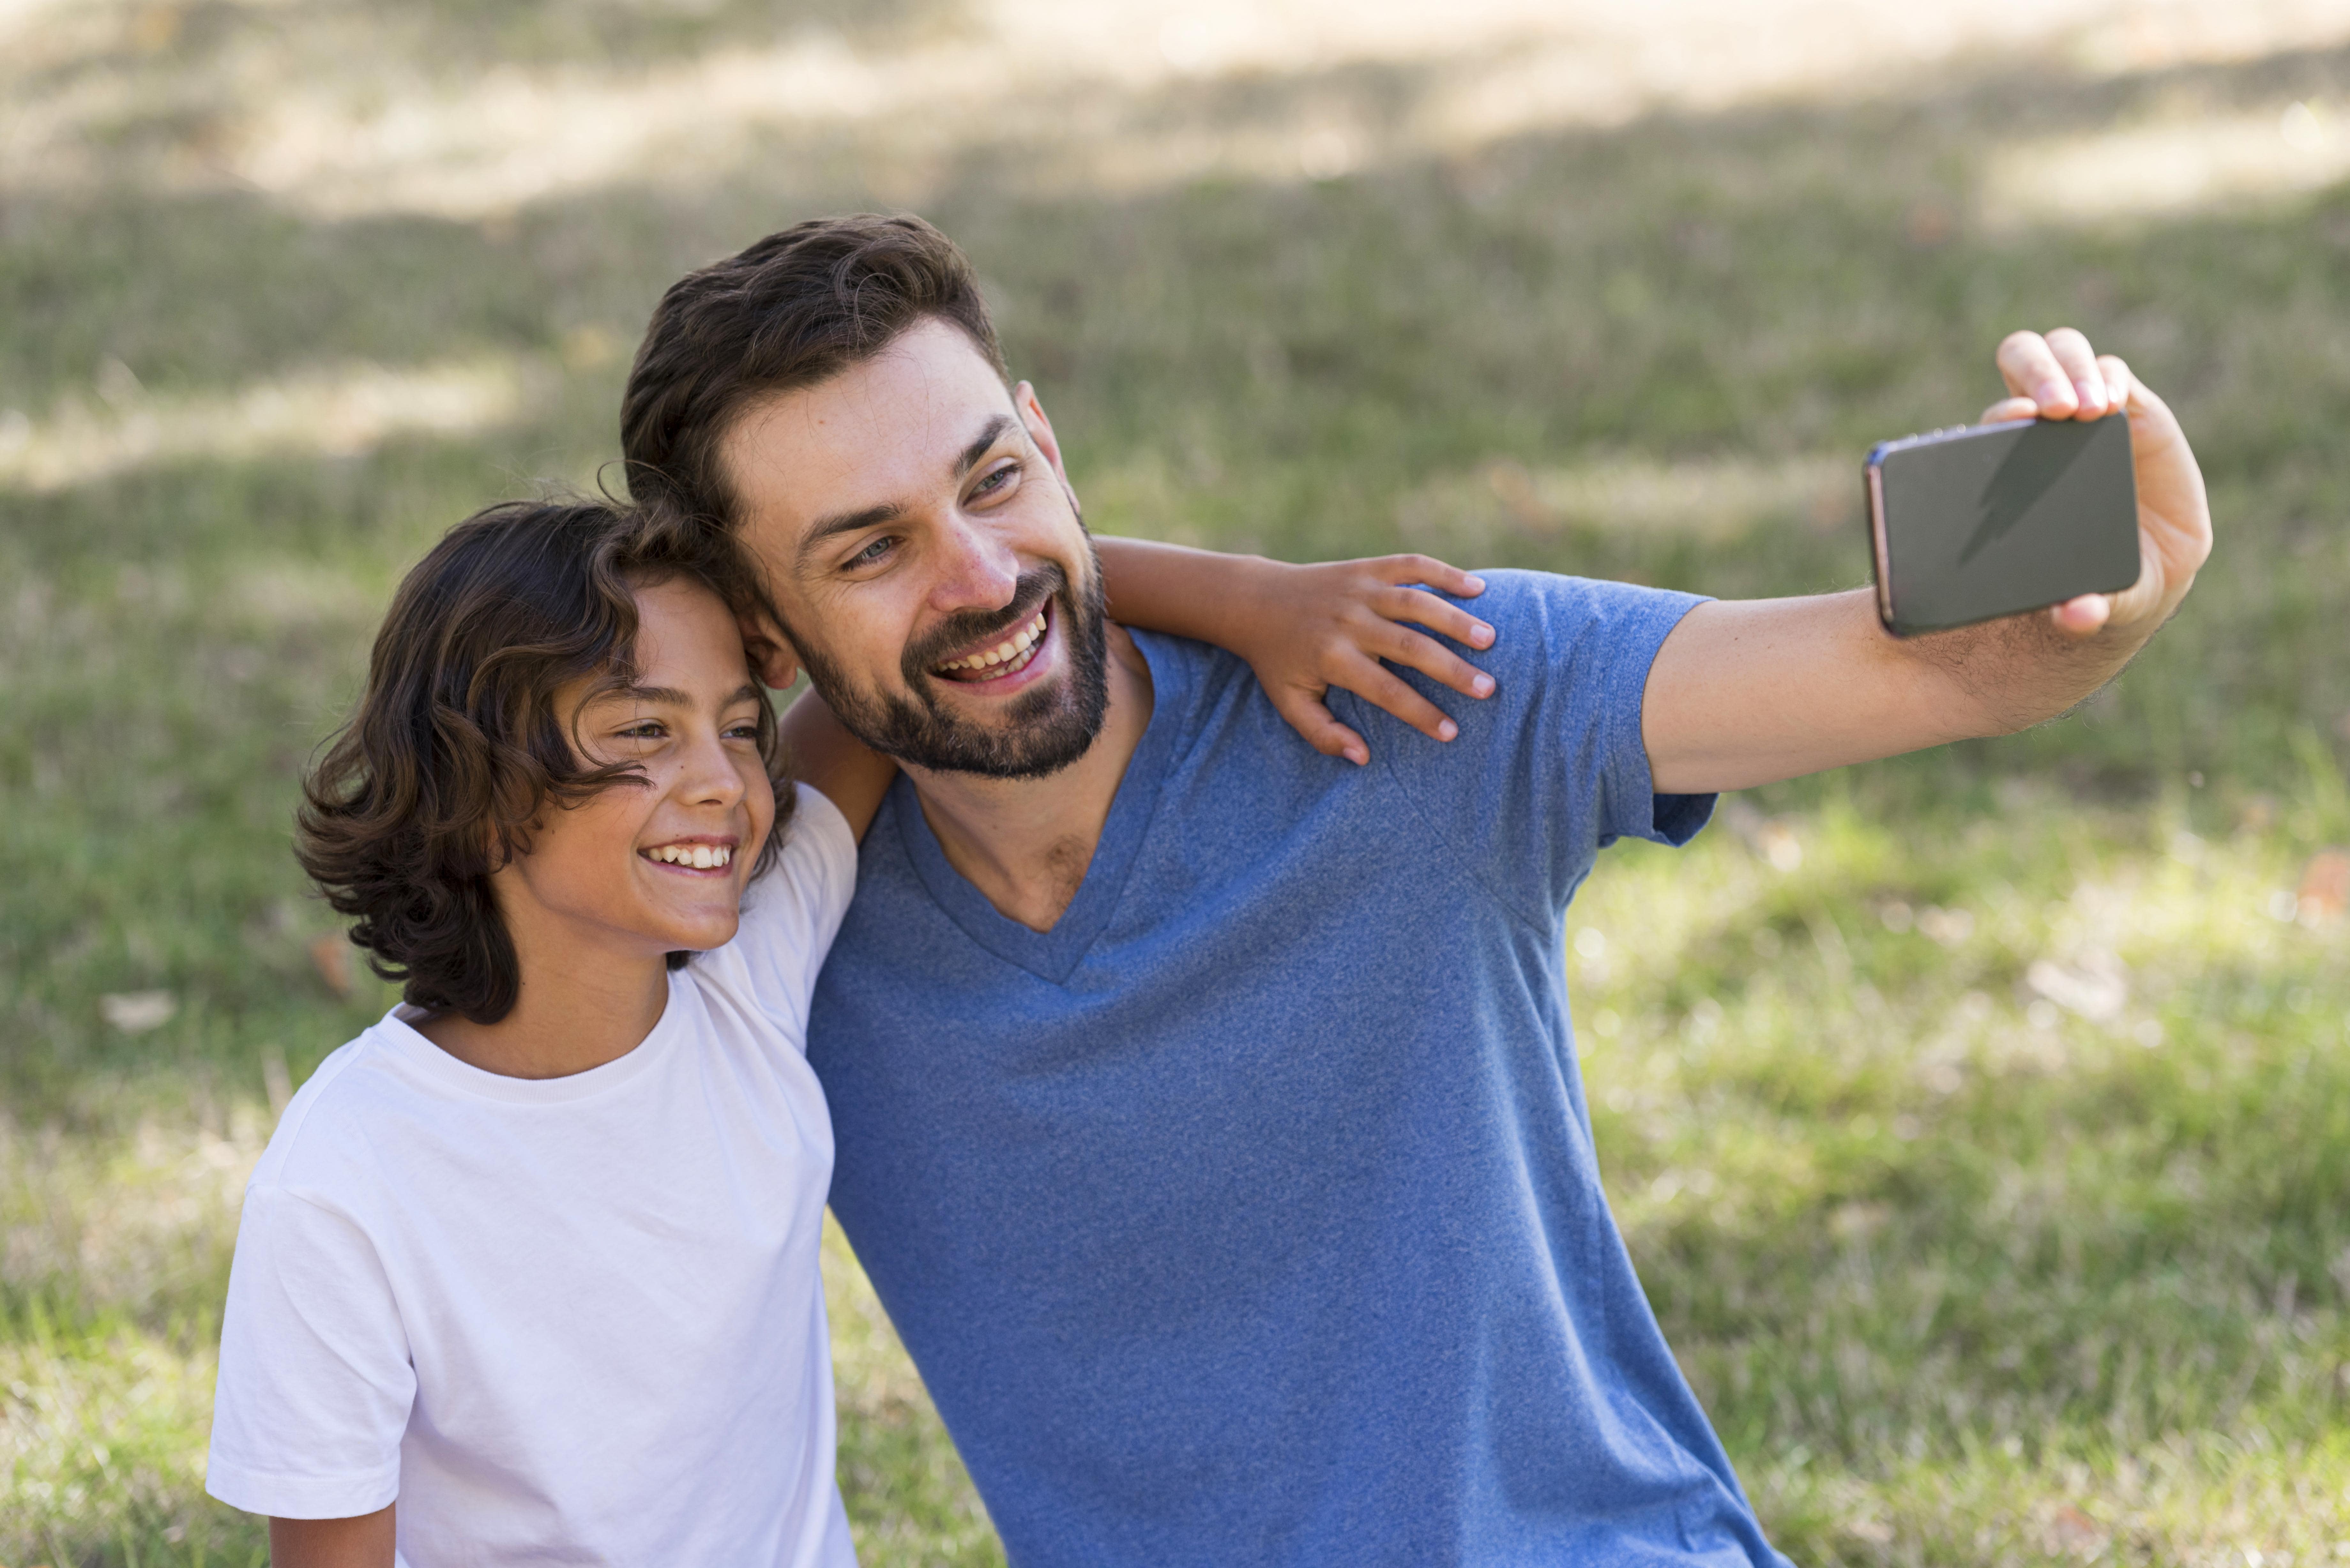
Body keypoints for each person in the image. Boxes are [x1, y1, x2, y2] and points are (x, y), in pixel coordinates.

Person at [619, 213, 2213, 1565]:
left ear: (1048, 443)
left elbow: (1927, 670)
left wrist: (2111, 577)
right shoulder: (763, 932)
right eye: (868, 552)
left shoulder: (1410, 693)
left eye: (990, 479)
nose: (978, 574)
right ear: (760, 638)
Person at [203, 498, 1490, 1565]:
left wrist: (1250, 602)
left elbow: (940, 634)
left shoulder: (745, 976)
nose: (721, 780)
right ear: (476, 795)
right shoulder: (349, 1183)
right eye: (646, 731)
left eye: (740, 727)